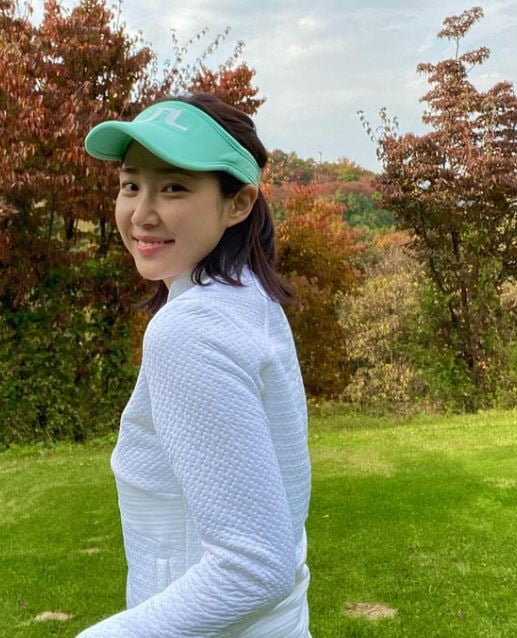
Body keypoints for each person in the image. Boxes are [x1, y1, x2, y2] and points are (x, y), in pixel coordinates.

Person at [76, 93, 312, 637]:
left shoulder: (189, 331)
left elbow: (253, 567)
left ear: (239, 203)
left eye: (174, 187)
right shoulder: (250, 299)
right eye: (131, 185)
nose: (141, 213)